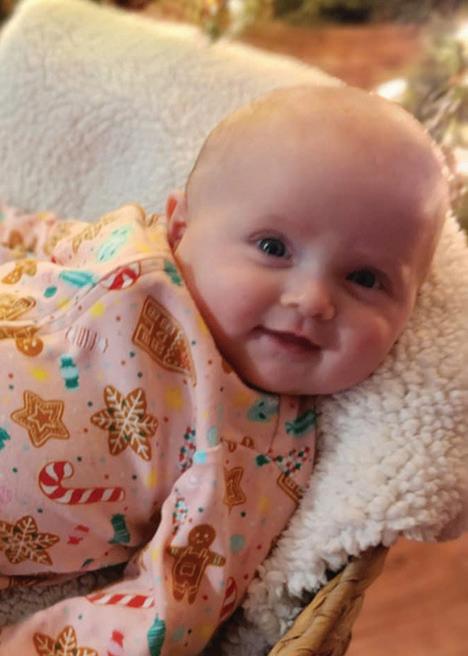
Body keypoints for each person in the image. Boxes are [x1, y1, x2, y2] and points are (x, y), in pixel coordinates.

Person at [0, 85, 449, 654]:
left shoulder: (253, 447)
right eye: (273, 247)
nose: (313, 299)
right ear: (181, 227)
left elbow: (169, 606)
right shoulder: (131, 242)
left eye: (365, 279)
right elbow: (36, 237)